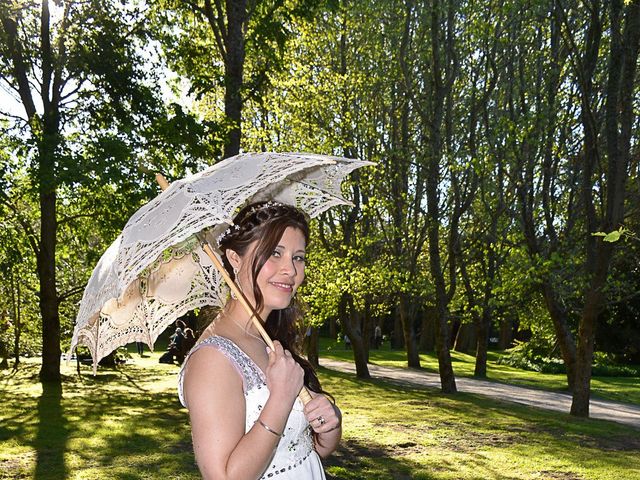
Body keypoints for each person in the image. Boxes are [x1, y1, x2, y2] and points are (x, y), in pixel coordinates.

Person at [179, 202, 341, 479]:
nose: (290, 270)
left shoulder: (270, 340)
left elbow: (302, 450)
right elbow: (225, 477)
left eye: (298, 257)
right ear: (234, 258)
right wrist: (280, 397)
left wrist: (329, 424)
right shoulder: (213, 358)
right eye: (275, 253)